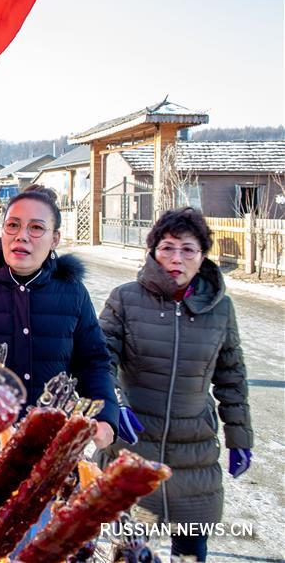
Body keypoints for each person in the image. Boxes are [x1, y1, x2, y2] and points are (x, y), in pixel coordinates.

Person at [97, 207, 253, 562]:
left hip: (194, 456)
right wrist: (113, 403)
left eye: (188, 249)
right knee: (132, 552)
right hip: (133, 448)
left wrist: (239, 438)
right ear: (153, 251)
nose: (176, 259)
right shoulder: (125, 299)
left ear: (202, 257)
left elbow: (232, 378)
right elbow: (100, 358)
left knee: (191, 553)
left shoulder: (220, 308)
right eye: (167, 247)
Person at [0, 185, 119, 499]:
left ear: (55, 239)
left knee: (37, 542)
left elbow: (93, 360)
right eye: (12, 225)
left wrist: (106, 414)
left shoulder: (72, 294)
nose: (22, 236)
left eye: (37, 228)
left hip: (49, 453)